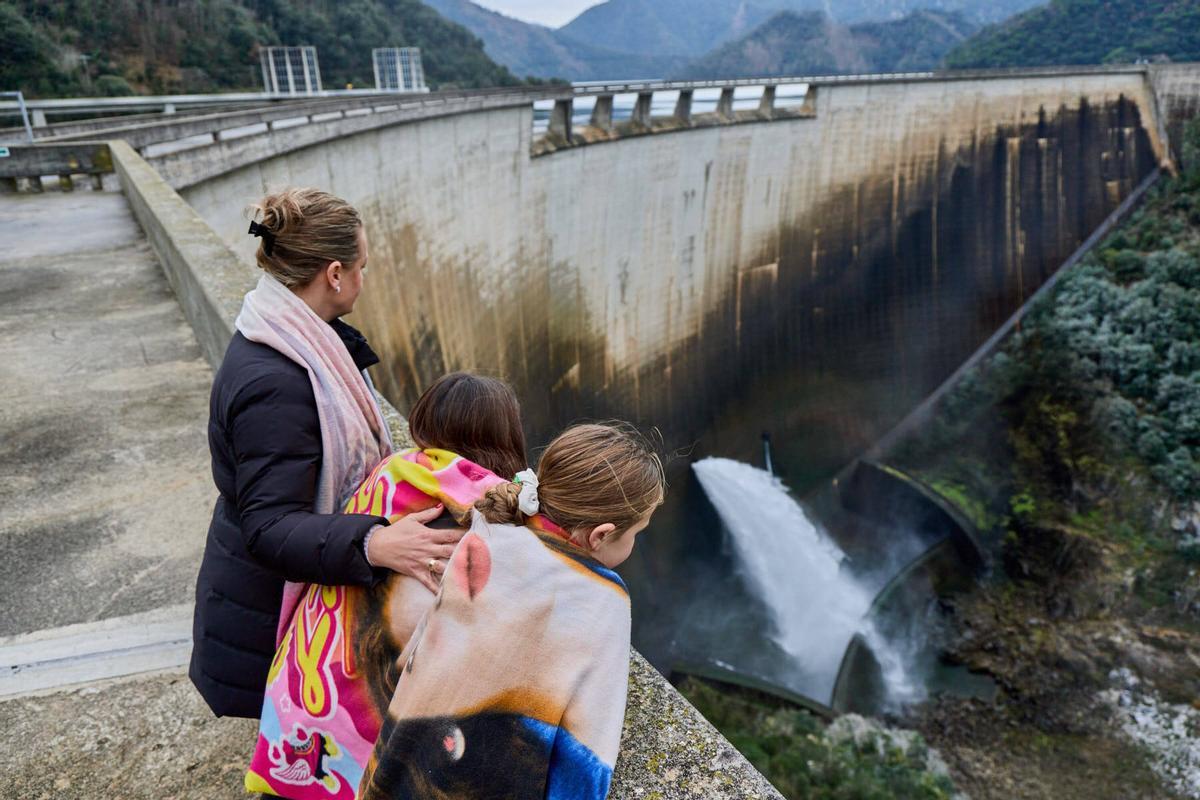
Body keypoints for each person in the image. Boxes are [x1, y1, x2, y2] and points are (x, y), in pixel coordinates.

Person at [190, 187, 453, 719]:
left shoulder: (286, 333)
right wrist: (375, 542)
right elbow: (267, 526)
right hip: (265, 614)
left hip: (263, 594)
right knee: (297, 768)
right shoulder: (277, 383)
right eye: (362, 266)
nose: (364, 278)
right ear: (334, 274)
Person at [246, 371, 531, 799]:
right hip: (353, 729)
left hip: (298, 700)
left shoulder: (392, 472)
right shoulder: (481, 520)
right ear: (506, 434)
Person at [360, 422, 666, 800]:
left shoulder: (489, 531)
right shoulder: (602, 598)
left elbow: (416, 657)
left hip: (394, 771)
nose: (634, 543)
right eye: (636, 533)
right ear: (601, 534)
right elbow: (587, 751)